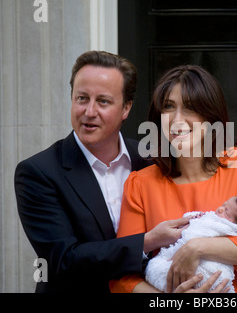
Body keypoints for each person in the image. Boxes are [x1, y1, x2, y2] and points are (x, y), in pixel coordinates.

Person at [14, 51, 192, 293]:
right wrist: (147, 241)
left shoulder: (152, 161)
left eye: (103, 101)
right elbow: (64, 260)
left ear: (126, 108)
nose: (89, 112)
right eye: (82, 98)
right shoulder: (38, 172)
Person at [109, 65, 237, 293]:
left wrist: (195, 248)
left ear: (211, 116)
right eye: (169, 106)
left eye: (190, 107)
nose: (177, 120)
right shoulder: (140, 184)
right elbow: (122, 277)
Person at [145, 196, 237, 293]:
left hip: (208, 269)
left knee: (158, 269)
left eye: (227, 212)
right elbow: (199, 219)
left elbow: (197, 232)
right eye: (224, 205)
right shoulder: (212, 218)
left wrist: (193, 239)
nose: (221, 209)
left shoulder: (225, 228)